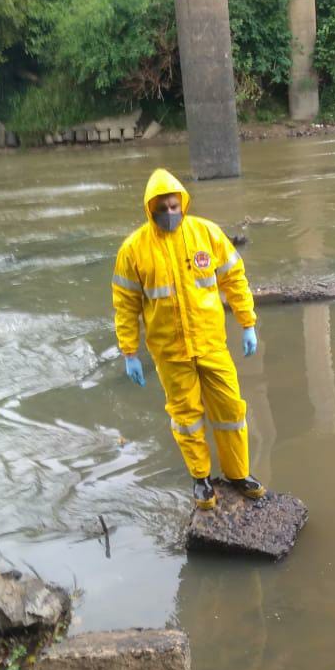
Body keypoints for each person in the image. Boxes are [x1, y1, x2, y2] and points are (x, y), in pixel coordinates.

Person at [111, 167, 266, 510]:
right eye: (162, 208)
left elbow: (234, 279)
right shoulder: (134, 250)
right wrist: (129, 351)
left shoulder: (206, 234)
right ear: (149, 209)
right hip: (170, 353)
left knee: (230, 410)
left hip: (212, 343)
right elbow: (125, 305)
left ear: (183, 202)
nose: (170, 213)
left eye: (174, 205)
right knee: (187, 417)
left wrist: (247, 322)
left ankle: (239, 474)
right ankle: (201, 478)